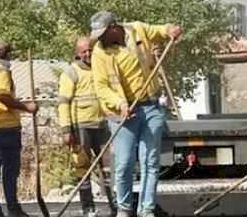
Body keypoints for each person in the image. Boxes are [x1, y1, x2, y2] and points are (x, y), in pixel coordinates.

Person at [89, 11, 182, 217]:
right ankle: (124, 209)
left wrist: (170, 30)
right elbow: (102, 87)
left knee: (150, 161)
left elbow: (160, 30)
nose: (100, 38)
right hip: (122, 114)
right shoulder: (99, 53)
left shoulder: (137, 29)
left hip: (151, 107)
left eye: (103, 33)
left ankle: (146, 209)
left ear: (114, 27)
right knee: (123, 164)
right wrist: (120, 104)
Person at [0, 40, 38, 217]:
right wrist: (26, 107)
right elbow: (2, 95)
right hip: (6, 127)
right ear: (7, 54)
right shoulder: (2, 71)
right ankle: (13, 208)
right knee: (10, 171)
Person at [59, 37, 116, 217]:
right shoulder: (71, 72)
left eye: (90, 50)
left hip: (102, 125)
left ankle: (115, 206)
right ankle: (88, 208)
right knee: (82, 167)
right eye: (84, 51)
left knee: (108, 168)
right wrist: (67, 130)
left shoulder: (101, 68)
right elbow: (63, 103)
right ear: (78, 53)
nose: (88, 54)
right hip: (80, 127)